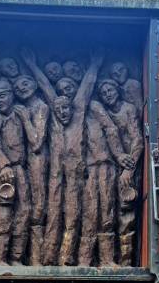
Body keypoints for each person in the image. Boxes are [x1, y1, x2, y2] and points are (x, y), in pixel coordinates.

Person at [22, 48, 103, 266]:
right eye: (58, 109)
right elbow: (47, 89)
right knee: (53, 213)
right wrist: (31, 65)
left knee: (74, 215)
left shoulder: (77, 114)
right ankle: (48, 258)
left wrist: (95, 66)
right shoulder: (55, 118)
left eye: (66, 108)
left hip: (75, 176)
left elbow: (85, 90)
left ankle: (67, 258)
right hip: (56, 177)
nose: (63, 112)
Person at [0, 79, 32, 265]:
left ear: (12, 95)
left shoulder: (20, 114)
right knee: (2, 214)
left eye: (2, 96)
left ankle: (16, 258)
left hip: (20, 168)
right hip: (1, 170)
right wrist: (3, 166)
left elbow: (33, 144)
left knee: (24, 211)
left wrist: (27, 120)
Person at [98, 78, 143, 266]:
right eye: (103, 93)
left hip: (129, 167)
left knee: (126, 214)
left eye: (110, 90)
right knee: (106, 212)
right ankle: (107, 260)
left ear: (117, 90)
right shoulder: (103, 114)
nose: (107, 95)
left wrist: (128, 170)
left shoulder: (128, 109)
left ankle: (125, 262)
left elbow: (137, 140)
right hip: (108, 169)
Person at [82, 83, 127, 266]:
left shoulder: (94, 106)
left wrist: (118, 155)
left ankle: (106, 260)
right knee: (90, 213)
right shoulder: (80, 108)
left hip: (104, 166)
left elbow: (111, 129)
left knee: (106, 213)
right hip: (88, 168)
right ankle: (84, 260)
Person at [13, 74, 50, 265]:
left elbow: (36, 143)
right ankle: (15, 258)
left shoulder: (40, 107)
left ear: (35, 85)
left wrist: (26, 119)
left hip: (37, 164)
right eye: (17, 88)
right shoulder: (17, 109)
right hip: (18, 166)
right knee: (20, 209)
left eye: (25, 83)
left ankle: (36, 260)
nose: (21, 89)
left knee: (36, 211)